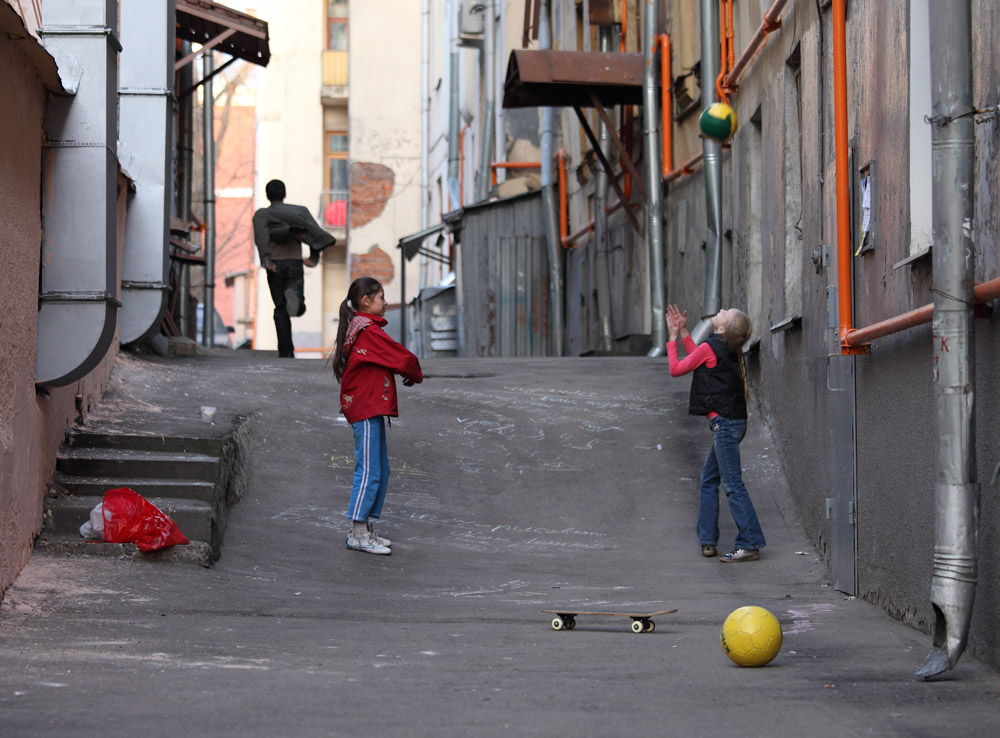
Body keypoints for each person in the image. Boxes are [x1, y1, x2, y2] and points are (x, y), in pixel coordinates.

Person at [665, 304, 766, 563]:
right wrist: (686, 330)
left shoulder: (714, 347)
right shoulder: (725, 347)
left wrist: (673, 338)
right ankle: (708, 540)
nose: (720, 309)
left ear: (721, 328)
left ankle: (750, 543)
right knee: (709, 480)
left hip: (725, 426)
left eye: (725, 313)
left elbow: (677, 369)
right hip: (732, 423)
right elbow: (700, 357)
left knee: (732, 484)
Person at [332, 277, 423, 555]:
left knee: (379, 469)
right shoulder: (368, 331)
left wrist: (408, 372)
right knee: (369, 470)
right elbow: (402, 357)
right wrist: (413, 373)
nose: (385, 303)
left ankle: (365, 528)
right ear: (366, 301)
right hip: (366, 407)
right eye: (381, 298)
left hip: (370, 407)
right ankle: (358, 532)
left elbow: (392, 359)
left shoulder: (363, 329)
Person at [252, 179, 337, 358]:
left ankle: (286, 351)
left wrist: (266, 259)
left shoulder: (262, 215)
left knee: (280, 308)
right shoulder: (299, 211)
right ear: (284, 194)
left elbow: (261, 236)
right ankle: (297, 302)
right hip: (294, 263)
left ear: (268, 195)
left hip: (274, 264)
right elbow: (314, 232)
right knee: (296, 304)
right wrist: (314, 257)